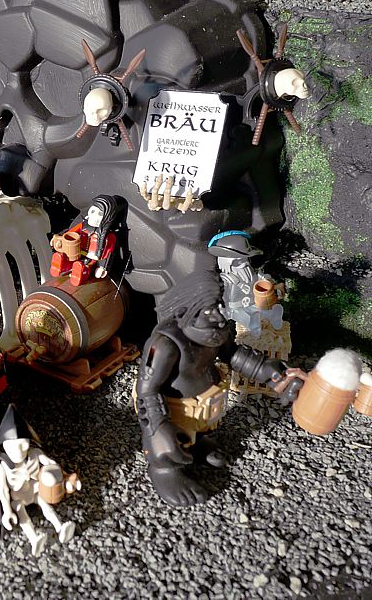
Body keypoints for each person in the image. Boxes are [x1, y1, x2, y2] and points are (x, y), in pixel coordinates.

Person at [135, 270, 303, 507]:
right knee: (170, 444)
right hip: (175, 408)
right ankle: (164, 471)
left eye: (220, 307)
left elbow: (233, 354)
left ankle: (197, 444)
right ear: (186, 311)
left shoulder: (215, 330)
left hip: (207, 403)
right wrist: (157, 428)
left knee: (200, 429)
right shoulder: (165, 344)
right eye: (209, 311)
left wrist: (269, 372)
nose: (219, 316)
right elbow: (147, 390)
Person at [0, 405, 80, 556]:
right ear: (4, 445)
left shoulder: (35, 454)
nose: (19, 451)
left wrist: (65, 478)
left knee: (46, 507)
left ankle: (60, 527)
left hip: (35, 490)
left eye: (23, 445)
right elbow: (2, 490)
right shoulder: (2, 466)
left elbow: (52, 465)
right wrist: (7, 511)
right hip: (18, 497)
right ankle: (34, 539)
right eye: (13, 447)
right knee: (23, 515)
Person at [50, 195, 129, 286]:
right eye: (93, 211)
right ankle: (61, 265)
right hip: (77, 251)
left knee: (85, 265)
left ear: (107, 217)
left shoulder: (108, 237)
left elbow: (108, 253)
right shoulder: (83, 226)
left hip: (92, 257)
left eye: (100, 214)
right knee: (67, 257)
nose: (94, 216)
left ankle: (79, 273)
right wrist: (59, 239)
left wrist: (103, 267)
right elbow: (70, 232)